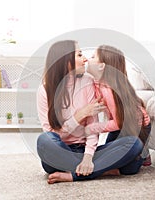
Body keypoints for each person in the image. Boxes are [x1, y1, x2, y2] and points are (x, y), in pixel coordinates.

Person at [36, 40, 144, 184]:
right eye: (80, 54)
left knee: (134, 145)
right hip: (61, 150)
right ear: (65, 60)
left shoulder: (87, 82)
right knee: (45, 141)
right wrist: (80, 115)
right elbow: (52, 133)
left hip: (87, 151)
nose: (85, 59)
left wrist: (87, 158)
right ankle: (103, 170)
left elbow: (92, 129)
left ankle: (76, 174)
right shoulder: (44, 90)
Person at [85, 45, 152, 166]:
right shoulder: (98, 83)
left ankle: (143, 154)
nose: (88, 59)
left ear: (101, 66)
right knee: (107, 153)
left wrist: (92, 128)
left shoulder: (109, 90)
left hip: (134, 126)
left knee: (128, 165)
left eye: (93, 56)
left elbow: (118, 123)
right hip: (121, 125)